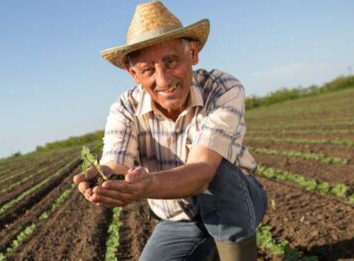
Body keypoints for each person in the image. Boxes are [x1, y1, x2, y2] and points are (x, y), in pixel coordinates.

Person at [73, 1, 267, 260]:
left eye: (171, 61)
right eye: (147, 70)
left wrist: (146, 185)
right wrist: (106, 178)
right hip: (180, 219)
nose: (163, 80)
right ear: (133, 74)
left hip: (239, 205)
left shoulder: (222, 88)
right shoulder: (125, 108)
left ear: (193, 54)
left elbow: (204, 172)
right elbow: (116, 164)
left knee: (220, 174)